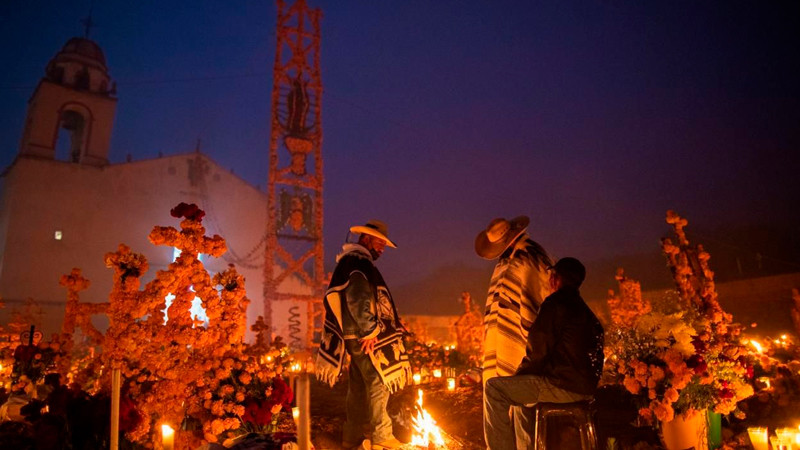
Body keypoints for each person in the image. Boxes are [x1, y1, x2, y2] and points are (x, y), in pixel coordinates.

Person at [483, 257, 605, 450]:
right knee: (520, 397)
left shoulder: (555, 304)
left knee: (495, 389)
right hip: (585, 388)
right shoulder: (587, 313)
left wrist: (519, 376)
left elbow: (538, 350)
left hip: (562, 385)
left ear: (555, 279)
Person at [315, 220, 411, 450]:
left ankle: (351, 436)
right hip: (363, 335)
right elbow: (357, 298)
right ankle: (381, 436)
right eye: (380, 242)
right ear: (366, 239)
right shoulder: (358, 263)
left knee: (358, 388)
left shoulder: (353, 262)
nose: (382, 248)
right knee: (379, 380)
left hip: (353, 334)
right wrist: (370, 331)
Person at [475, 216, 553, 448]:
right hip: (505, 345)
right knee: (506, 399)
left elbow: (535, 304)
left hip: (525, 348)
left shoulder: (528, 257)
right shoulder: (506, 261)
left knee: (522, 405)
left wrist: (532, 350)